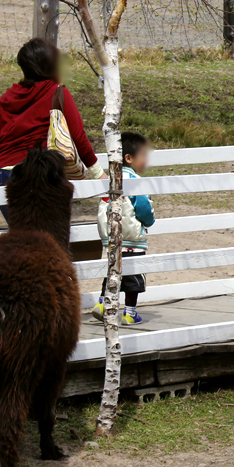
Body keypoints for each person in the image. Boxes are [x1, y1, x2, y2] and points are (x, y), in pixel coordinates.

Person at [0, 38, 103, 219]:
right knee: (47, 239)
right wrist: (99, 174)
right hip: (39, 176)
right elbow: (78, 136)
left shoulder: (6, 98)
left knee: (25, 237)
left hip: (2, 176)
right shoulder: (57, 92)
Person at [92, 132, 156, 325]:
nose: (146, 160)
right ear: (129, 158)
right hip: (131, 238)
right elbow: (144, 208)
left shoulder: (112, 179)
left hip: (112, 237)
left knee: (113, 271)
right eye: (143, 155)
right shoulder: (134, 181)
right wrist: (149, 220)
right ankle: (130, 313)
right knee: (134, 276)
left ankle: (103, 303)